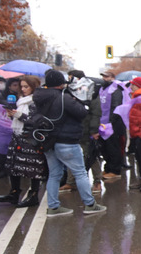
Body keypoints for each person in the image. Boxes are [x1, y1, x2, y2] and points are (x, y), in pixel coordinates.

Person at [33, 70, 107, 217]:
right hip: (66, 140)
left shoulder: (40, 97)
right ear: (61, 84)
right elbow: (81, 112)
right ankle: (90, 204)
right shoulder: (64, 98)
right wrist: (81, 99)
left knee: (54, 174)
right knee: (80, 172)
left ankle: (53, 207)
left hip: (48, 140)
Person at [0, 75, 48, 207]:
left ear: (33, 87)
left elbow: (35, 121)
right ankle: (14, 193)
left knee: (32, 167)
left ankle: (33, 195)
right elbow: (21, 119)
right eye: (21, 86)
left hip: (29, 138)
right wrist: (12, 115)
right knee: (14, 166)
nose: (23, 89)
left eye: (26, 86)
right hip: (17, 136)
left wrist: (18, 115)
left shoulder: (35, 101)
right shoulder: (21, 100)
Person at [63, 70, 104, 194]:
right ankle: (71, 182)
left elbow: (96, 113)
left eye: (72, 77)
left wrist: (94, 130)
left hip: (86, 130)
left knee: (90, 156)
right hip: (73, 130)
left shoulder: (91, 91)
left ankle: (97, 181)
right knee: (72, 156)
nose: (70, 80)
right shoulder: (70, 91)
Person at [97, 71, 127, 180]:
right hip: (103, 123)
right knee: (105, 147)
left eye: (107, 76)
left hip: (113, 124)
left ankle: (115, 170)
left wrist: (109, 122)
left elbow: (116, 107)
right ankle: (108, 167)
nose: (104, 78)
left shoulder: (116, 89)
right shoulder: (102, 89)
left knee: (113, 147)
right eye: (103, 76)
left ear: (112, 78)